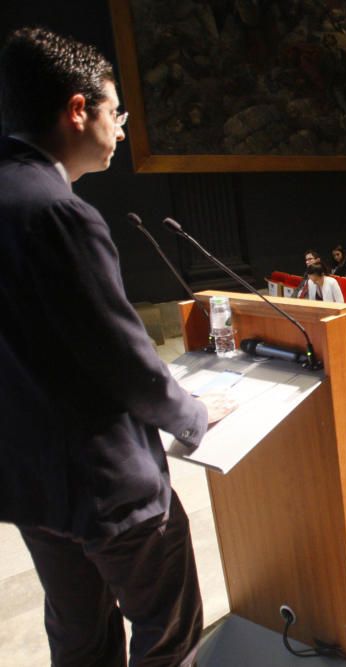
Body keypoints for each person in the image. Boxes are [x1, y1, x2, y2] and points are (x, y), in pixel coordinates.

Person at [0, 27, 237, 667]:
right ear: (79, 109)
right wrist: (190, 413)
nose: (123, 129)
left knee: (79, 642)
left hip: (29, 481)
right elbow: (122, 360)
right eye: (117, 112)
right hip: (106, 489)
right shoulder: (59, 212)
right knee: (168, 636)